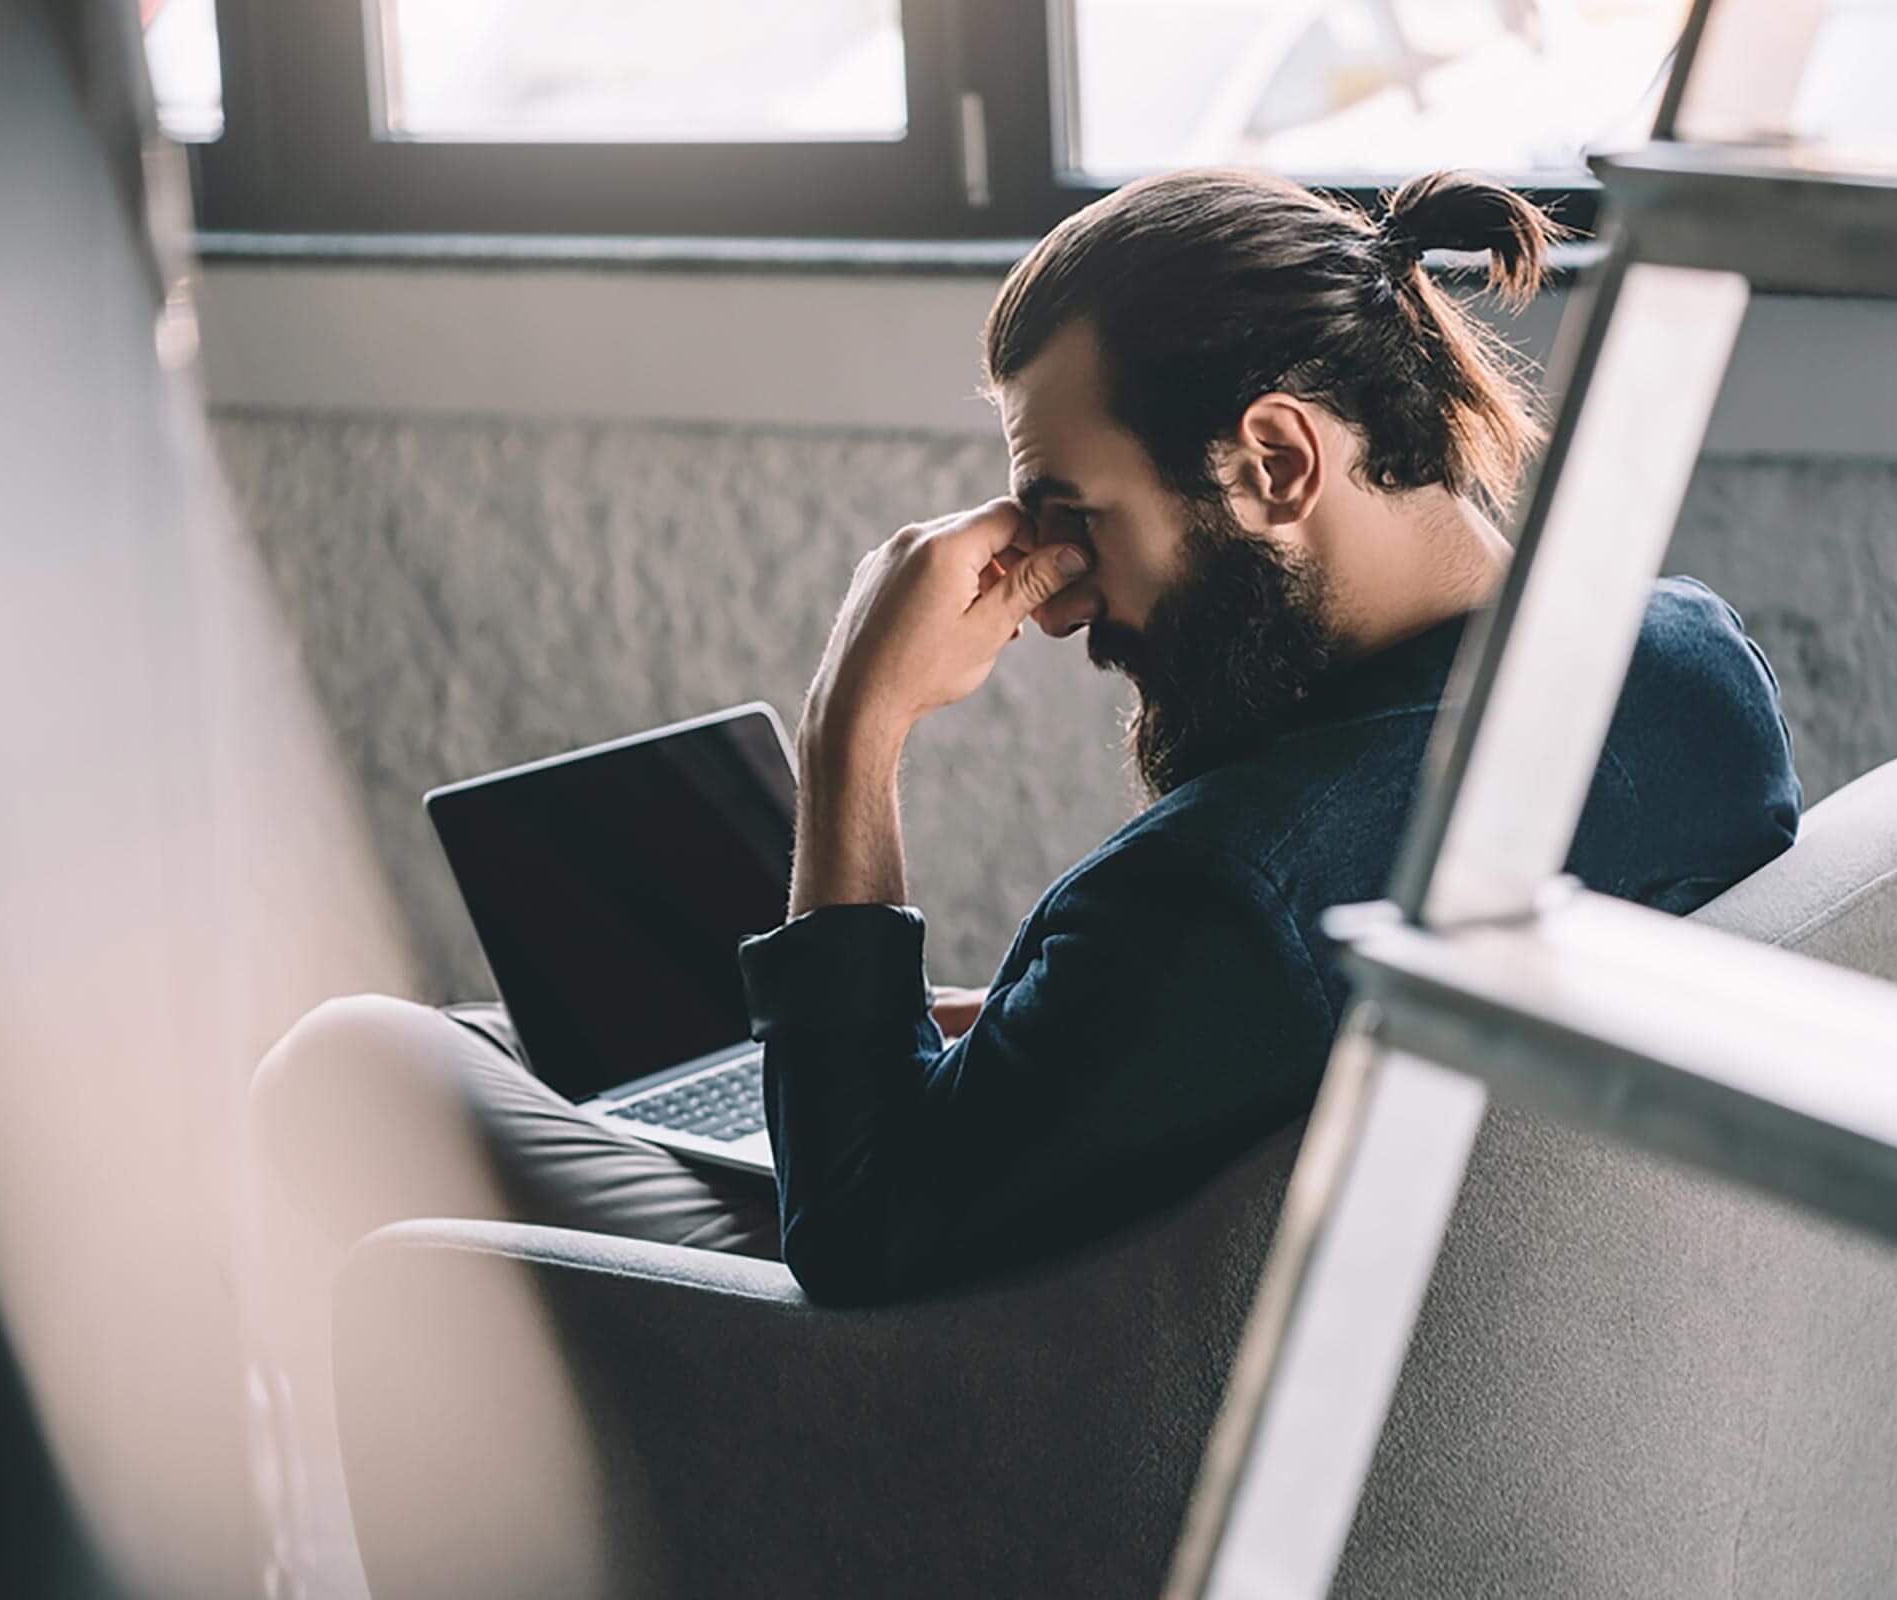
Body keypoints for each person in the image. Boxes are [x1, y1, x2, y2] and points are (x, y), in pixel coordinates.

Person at [252, 169, 1801, 1324]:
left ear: (1273, 458)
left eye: (1079, 519)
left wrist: (854, 728)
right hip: (1406, 1325)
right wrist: (1082, 1034)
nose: (1064, 611)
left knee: (358, 1061)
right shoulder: (1686, 667)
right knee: (526, 1044)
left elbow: (854, 1243)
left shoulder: (1212, 896)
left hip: (966, 1385)